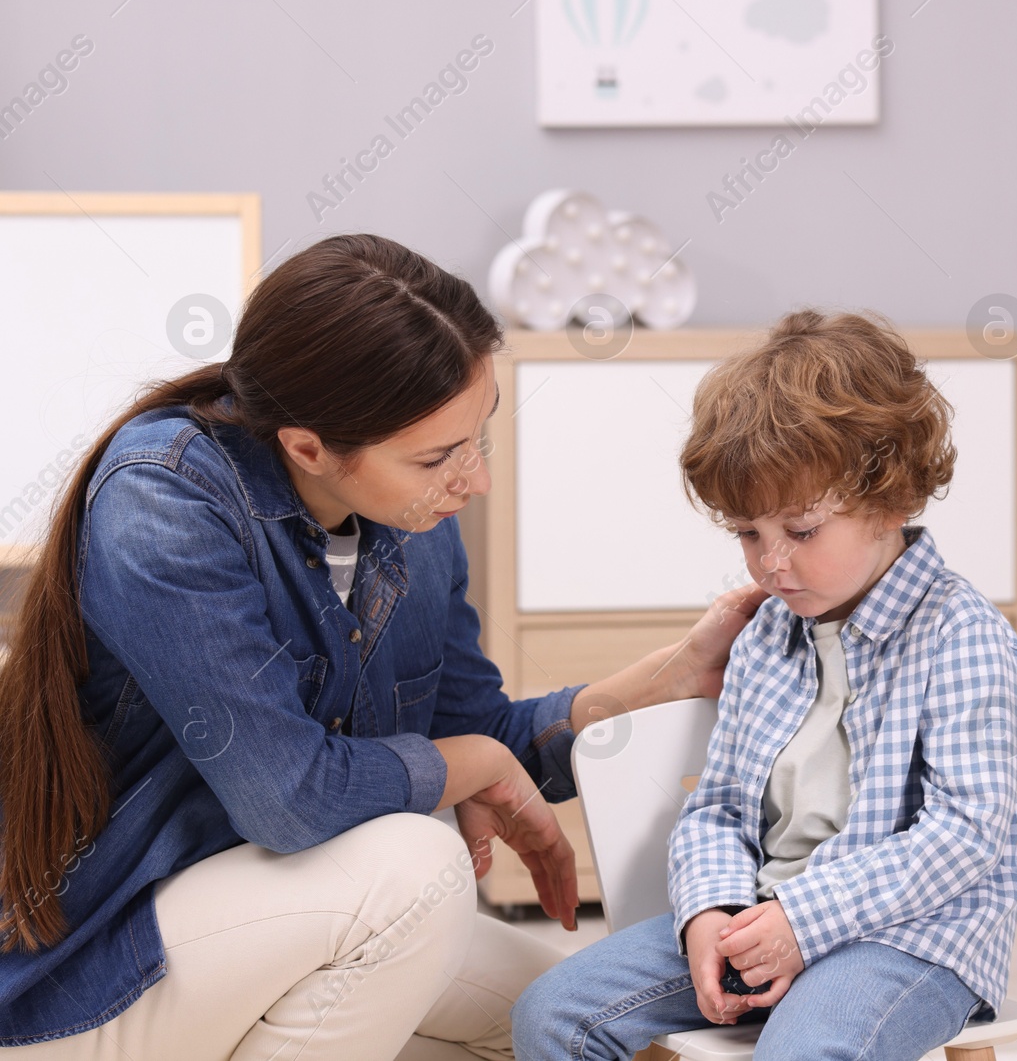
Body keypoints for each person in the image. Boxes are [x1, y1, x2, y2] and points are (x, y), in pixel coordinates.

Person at [0, 233, 765, 1060]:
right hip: (101, 958)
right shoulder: (164, 500)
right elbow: (288, 799)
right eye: (438, 456)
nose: (474, 480)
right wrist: (470, 762)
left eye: (481, 436)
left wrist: (671, 676)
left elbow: (483, 732)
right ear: (307, 447)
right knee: (418, 868)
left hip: (277, 920)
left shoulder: (411, 523)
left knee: (570, 1022)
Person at [511, 309, 1017, 1061]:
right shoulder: (766, 634)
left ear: (890, 501)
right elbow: (721, 803)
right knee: (553, 1013)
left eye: (801, 531)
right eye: (748, 534)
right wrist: (708, 911)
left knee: (804, 1050)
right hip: (759, 916)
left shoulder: (964, 636)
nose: (770, 564)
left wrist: (803, 916)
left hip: (913, 937)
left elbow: (967, 834)